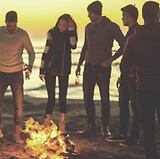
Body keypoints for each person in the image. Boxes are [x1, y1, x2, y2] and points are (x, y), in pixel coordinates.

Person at [120, 1, 160, 159]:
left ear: (143, 16)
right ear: (158, 15)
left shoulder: (134, 39)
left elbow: (124, 66)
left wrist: (138, 63)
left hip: (145, 89)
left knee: (149, 134)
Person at [76, 1, 124, 138]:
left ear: (96, 12)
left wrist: (111, 59)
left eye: (90, 13)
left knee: (104, 98)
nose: (88, 15)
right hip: (88, 66)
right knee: (87, 98)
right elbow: (85, 46)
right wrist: (79, 63)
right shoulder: (88, 27)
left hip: (103, 68)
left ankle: (105, 126)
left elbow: (124, 45)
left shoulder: (112, 27)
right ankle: (90, 126)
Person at [0, 11, 35, 144]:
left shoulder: (22, 34)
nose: (12, 29)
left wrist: (30, 65)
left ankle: (16, 134)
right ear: (5, 22)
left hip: (17, 74)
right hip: (0, 73)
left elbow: (31, 52)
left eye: (14, 26)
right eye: (9, 26)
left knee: (18, 106)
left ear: (17, 23)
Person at [107, 5, 140, 147]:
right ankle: (122, 134)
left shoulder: (136, 32)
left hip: (133, 76)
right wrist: (122, 75)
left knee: (135, 106)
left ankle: (134, 137)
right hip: (126, 75)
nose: (122, 18)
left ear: (128, 16)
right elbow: (125, 54)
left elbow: (137, 55)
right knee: (123, 104)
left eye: (123, 16)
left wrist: (132, 73)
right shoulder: (129, 33)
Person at [39, 14, 78, 134]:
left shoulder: (70, 34)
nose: (61, 27)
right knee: (51, 98)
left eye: (64, 25)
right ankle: (46, 127)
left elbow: (73, 45)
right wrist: (41, 70)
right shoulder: (52, 33)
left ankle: (62, 129)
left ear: (69, 26)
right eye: (60, 24)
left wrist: (71, 30)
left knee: (63, 98)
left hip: (64, 70)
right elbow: (46, 51)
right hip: (50, 69)